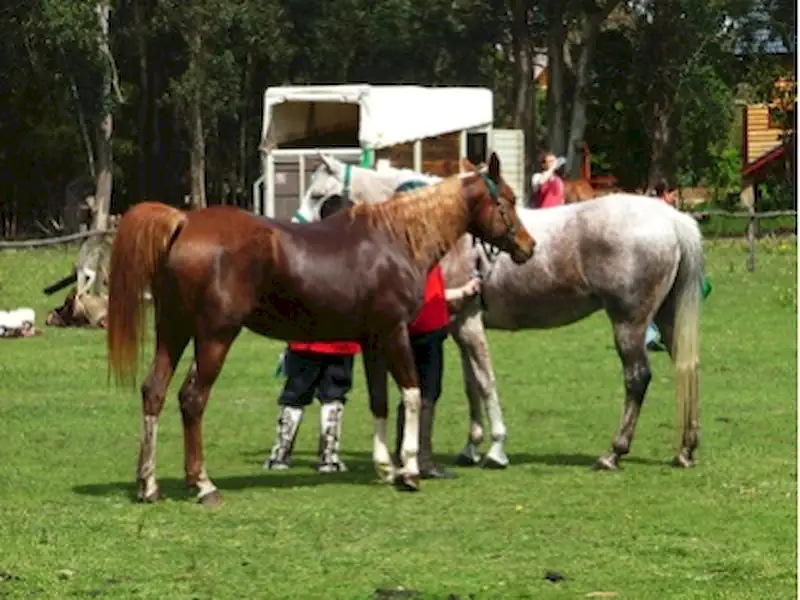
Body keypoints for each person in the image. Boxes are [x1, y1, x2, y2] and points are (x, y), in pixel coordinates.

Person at [265, 195, 361, 473]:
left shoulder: (305, 249)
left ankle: (281, 455)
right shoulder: (356, 256)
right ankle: (329, 456)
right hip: (341, 339)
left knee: (295, 394)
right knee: (334, 395)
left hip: (305, 338)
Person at [394, 266, 482, 480]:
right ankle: (421, 459)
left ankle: (403, 453)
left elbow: (435, 293)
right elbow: (428, 295)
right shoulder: (425, 263)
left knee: (410, 393)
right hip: (426, 329)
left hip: (413, 330)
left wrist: (462, 291)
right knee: (427, 393)